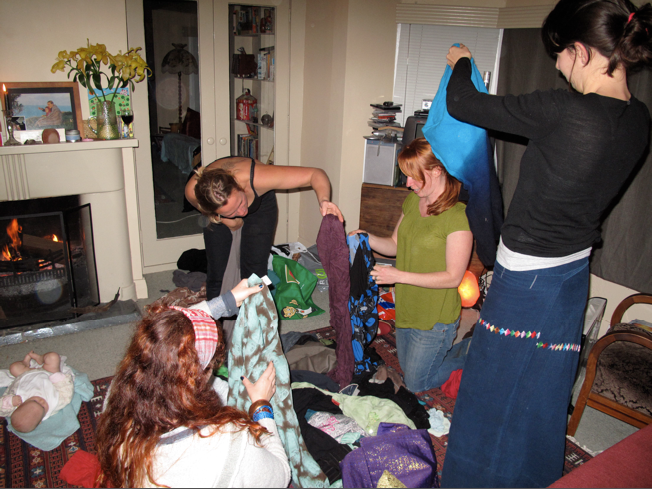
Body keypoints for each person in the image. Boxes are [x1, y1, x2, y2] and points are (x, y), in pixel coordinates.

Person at [441, 1, 652, 487]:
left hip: (527, 279)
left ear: (581, 51)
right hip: (573, 272)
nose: (557, 66)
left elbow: (462, 104)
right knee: (543, 388)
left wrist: (463, 62)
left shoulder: (565, 110)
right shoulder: (639, 118)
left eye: (559, 54)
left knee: (489, 391)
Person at [95, 279, 291, 488]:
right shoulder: (229, 440)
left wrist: (226, 302)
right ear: (198, 375)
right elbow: (280, 475)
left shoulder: (118, 394)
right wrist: (261, 405)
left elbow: (165, 336)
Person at [349, 138, 473, 393]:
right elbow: (395, 244)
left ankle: (474, 352)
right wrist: (367, 236)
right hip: (407, 307)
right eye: (406, 176)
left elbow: (453, 277)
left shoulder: (458, 216)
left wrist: (398, 276)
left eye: (414, 176)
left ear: (437, 170)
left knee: (417, 383)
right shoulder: (413, 202)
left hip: (435, 318)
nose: (408, 183)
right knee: (409, 369)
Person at [185, 156, 343, 301]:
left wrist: (324, 200)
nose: (242, 213)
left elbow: (315, 174)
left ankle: (256, 317)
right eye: (232, 212)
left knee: (255, 271)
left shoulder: (259, 178)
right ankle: (214, 319)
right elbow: (203, 208)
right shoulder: (193, 191)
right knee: (217, 271)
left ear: (239, 187)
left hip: (260, 205)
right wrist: (224, 219)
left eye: (240, 203)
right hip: (218, 213)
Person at [0, 351, 74, 433]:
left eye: (34, 401)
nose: (41, 401)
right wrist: (60, 380)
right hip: (48, 373)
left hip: (26, 374)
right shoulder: (55, 404)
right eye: (43, 407)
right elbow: (66, 394)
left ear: (20, 405)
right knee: (53, 357)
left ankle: (32, 361)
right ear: (40, 421)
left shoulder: (17, 404)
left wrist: (10, 401)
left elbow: (1, 409)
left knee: (14, 368)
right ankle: (41, 359)